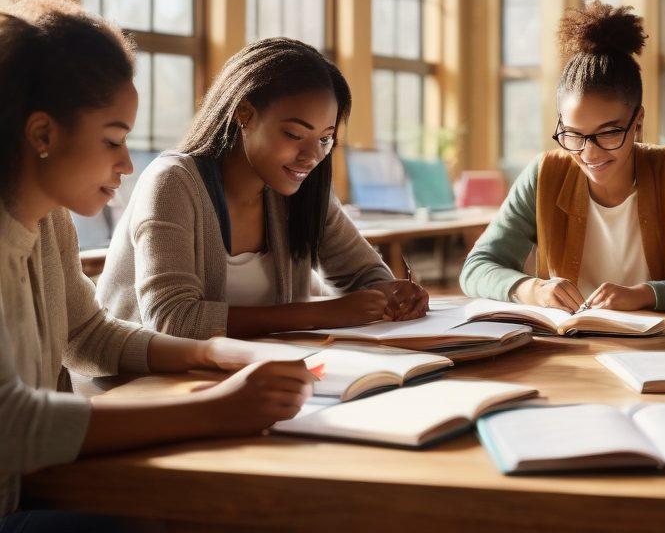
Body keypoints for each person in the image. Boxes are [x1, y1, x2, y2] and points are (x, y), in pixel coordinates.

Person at [0, 0, 314, 529]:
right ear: (43, 133)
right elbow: (13, 428)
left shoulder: (48, 220)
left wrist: (211, 353)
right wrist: (219, 409)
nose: (126, 164)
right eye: (112, 140)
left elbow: (90, 335)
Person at [98, 37, 427, 340]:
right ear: (245, 113)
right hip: (141, 386)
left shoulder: (302, 189)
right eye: (295, 135)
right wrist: (318, 314)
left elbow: (365, 275)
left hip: (253, 375)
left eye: (325, 139)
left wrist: (394, 295)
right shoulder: (173, 183)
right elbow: (172, 320)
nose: (312, 156)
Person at [461, 0, 665, 313]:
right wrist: (533, 289)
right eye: (573, 134)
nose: (589, 152)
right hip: (565, 347)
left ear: (637, 123)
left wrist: (645, 294)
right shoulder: (545, 174)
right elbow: (476, 268)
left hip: (660, 351)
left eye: (609, 133)